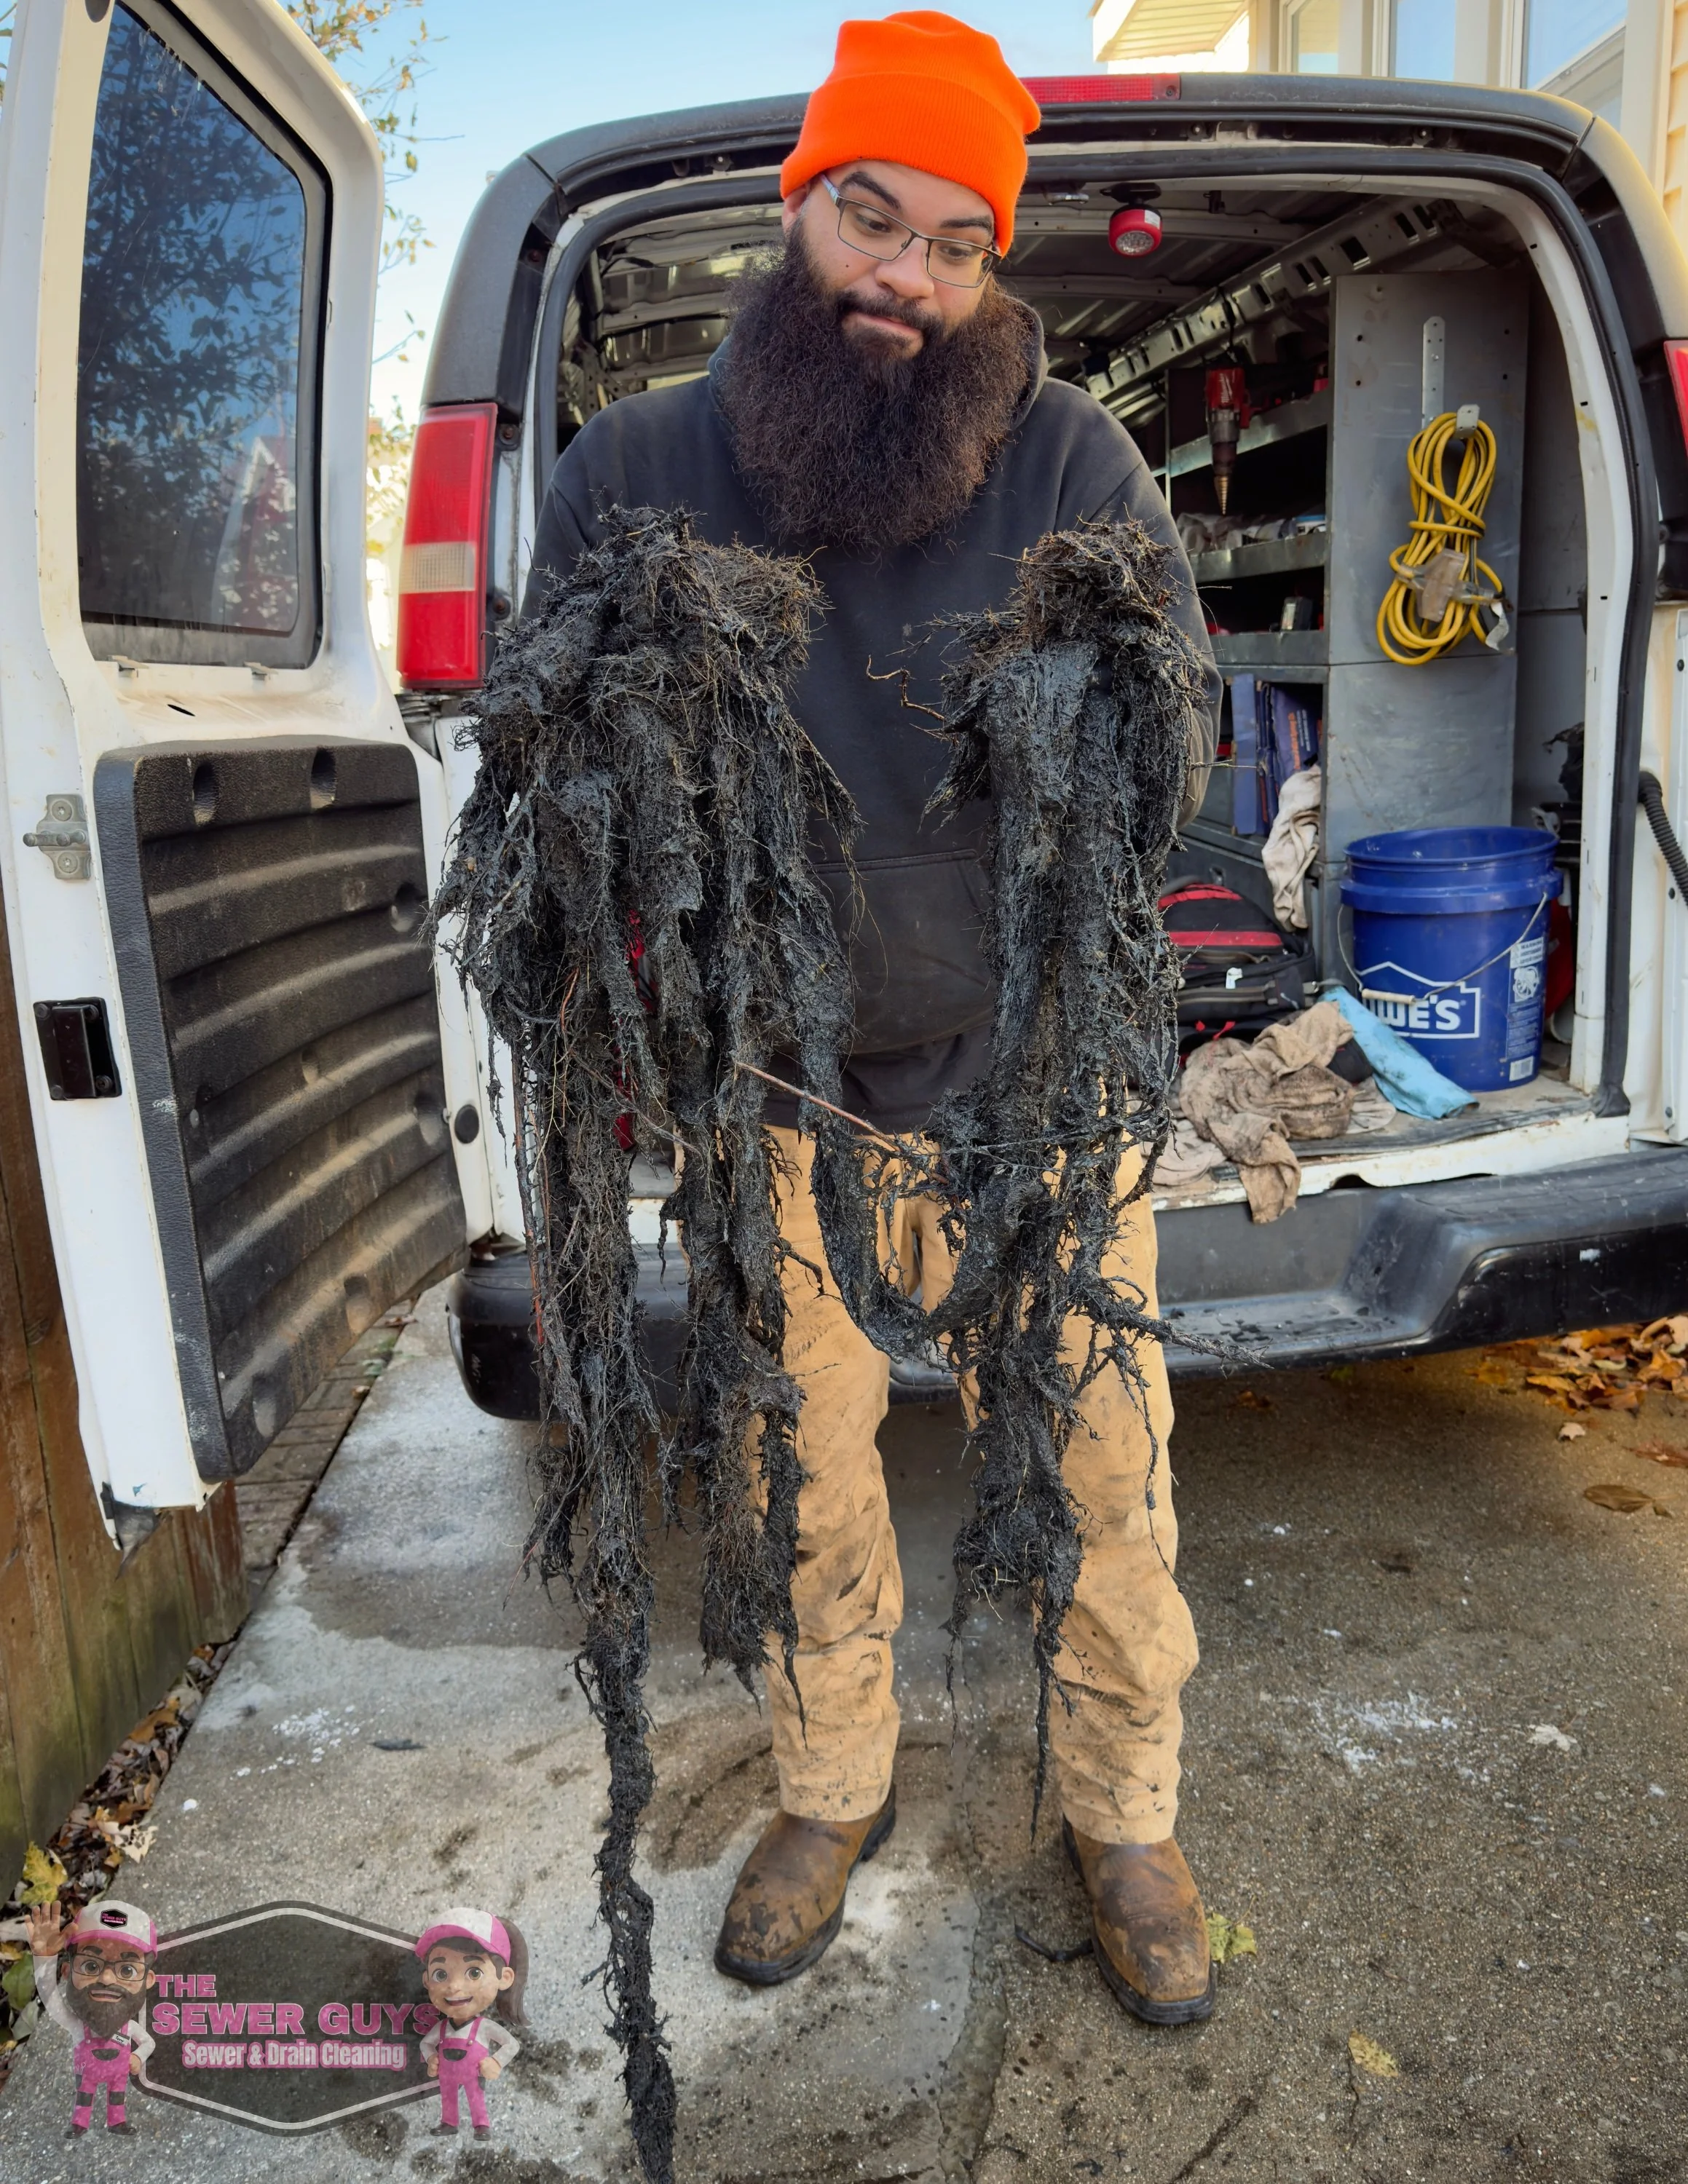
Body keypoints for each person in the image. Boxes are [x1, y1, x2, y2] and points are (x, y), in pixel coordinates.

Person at [525, 9, 1222, 2025]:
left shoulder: (1074, 460)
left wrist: (1098, 716)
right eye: (866, 216)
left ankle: (1121, 1813)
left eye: (950, 240)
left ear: (990, 263)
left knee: (1100, 1467)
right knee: (790, 1465)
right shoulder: (636, 468)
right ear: (795, 205)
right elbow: (556, 769)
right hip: (768, 1087)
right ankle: (830, 1786)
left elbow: (1166, 746)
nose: (901, 277)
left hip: (1029, 1076)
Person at [25, 1898, 158, 2135]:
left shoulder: (129, 2028)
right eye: (90, 1967)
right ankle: (79, 2124)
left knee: (117, 2096)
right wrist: (44, 1959)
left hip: (118, 2074)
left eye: (126, 1970)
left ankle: (117, 2122)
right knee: (84, 2096)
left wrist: (138, 2057)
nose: (107, 1979)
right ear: (67, 1972)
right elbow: (52, 2001)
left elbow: (149, 2042)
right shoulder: (79, 2027)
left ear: (148, 1980)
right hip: (87, 2075)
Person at [415, 1907, 526, 2138]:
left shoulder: (483, 2027)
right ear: (426, 1980)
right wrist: (431, 2058)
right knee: (448, 2096)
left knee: (475, 2097)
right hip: (447, 2073)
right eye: (440, 1974)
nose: (454, 1987)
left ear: (504, 1978)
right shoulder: (442, 2028)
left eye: (474, 1973)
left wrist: (496, 2062)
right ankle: (449, 2122)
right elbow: (425, 2044)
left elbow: (511, 2044)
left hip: (474, 2073)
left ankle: (481, 2125)